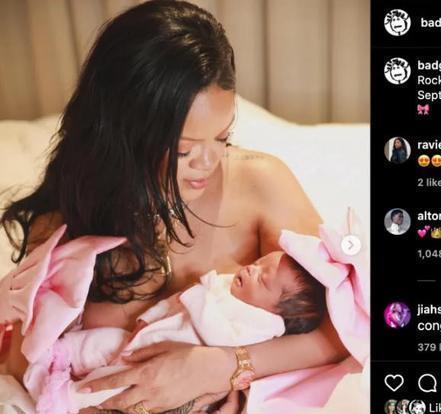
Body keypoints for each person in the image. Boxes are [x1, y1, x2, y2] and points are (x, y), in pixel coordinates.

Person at [1, 1, 347, 413]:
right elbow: (24, 369)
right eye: (185, 149)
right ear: (126, 136)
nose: (209, 162)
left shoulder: (259, 185)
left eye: (222, 137)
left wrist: (225, 366)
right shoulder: (68, 221)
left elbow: (345, 328)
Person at [25, 251, 326, 413]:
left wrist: (200, 298)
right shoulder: (226, 285)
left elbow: (221, 339)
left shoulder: (260, 325)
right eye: (258, 263)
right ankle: (60, 353)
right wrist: (148, 318)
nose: (251, 269)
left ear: (276, 313)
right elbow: (174, 302)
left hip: (160, 369)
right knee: (103, 341)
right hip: (143, 338)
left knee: (114, 386)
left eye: (263, 279)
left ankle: (65, 401)